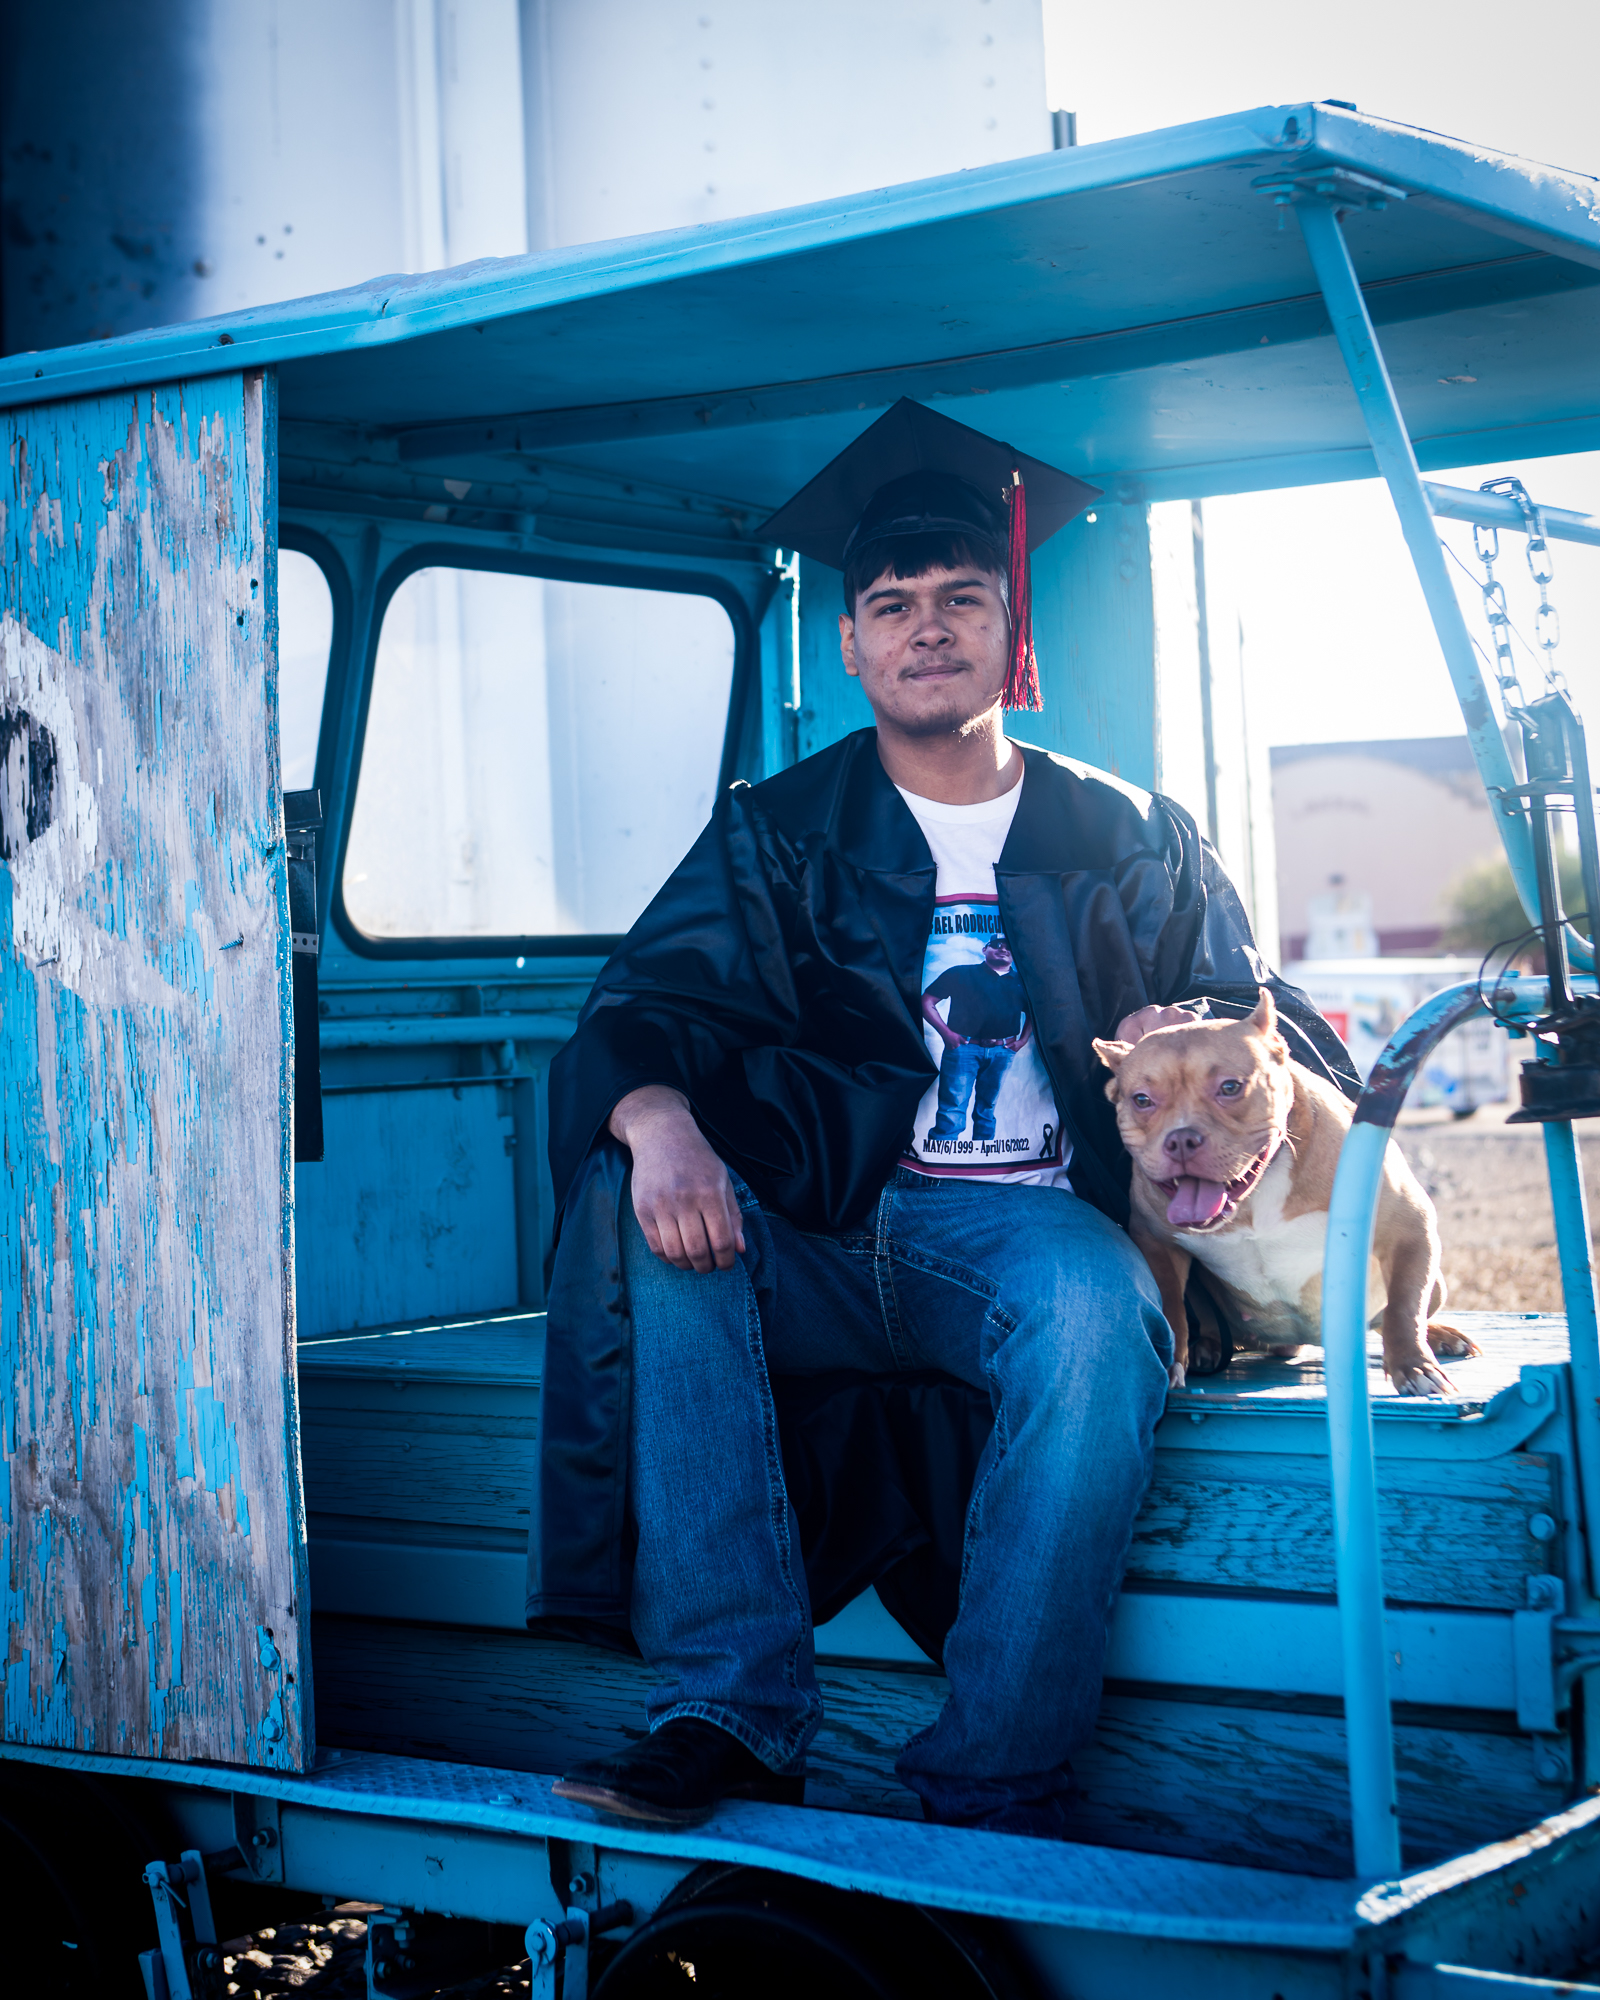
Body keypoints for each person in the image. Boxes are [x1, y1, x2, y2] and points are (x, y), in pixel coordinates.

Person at [529, 398, 1353, 1836]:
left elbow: (1261, 1022)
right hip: (824, 1226)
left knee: (1101, 1318)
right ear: (849, 643)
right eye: (893, 603)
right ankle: (729, 1705)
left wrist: (1210, 1049)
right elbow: (639, 1012)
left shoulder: (1131, 833)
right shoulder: (779, 830)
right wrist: (656, 1120)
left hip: (1030, 1234)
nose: (926, 627)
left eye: (962, 597)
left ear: (1006, 628)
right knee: (651, 1228)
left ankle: (996, 1768)